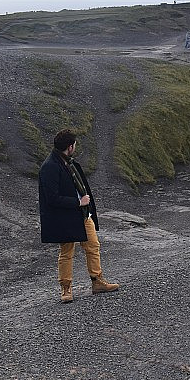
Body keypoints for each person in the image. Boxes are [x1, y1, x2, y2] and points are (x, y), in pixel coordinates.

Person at [39, 129, 119, 303]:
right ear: (70, 147)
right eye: (74, 144)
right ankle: (66, 289)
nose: (75, 147)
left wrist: (84, 206)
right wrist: (78, 203)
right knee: (67, 251)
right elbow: (51, 199)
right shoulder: (50, 167)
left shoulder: (70, 163)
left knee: (93, 245)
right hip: (66, 217)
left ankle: (97, 282)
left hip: (82, 215)